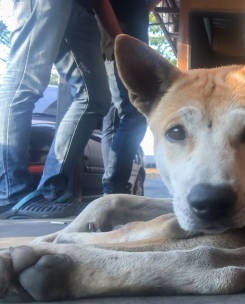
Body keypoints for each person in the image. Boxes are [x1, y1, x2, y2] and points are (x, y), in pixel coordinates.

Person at [0, 0, 122, 218]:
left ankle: (52, 189)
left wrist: (120, 40)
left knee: (95, 98)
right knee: (24, 82)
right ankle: (10, 192)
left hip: (84, 8)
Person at [99, 0, 158, 195]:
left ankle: (112, 188)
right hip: (121, 48)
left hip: (123, 47)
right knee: (134, 115)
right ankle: (113, 186)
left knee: (114, 119)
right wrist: (122, 42)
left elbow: (147, 5)